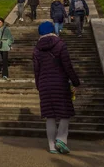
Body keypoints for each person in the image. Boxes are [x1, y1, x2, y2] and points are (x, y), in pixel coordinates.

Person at [33, 22, 80, 154]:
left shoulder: (36, 49)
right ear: (53, 30)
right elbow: (67, 66)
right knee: (65, 113)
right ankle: (60, 139)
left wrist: (39, 85)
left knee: (50, 116)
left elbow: (36, 70)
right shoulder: (60, 44)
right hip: (60, 83)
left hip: (44, 84)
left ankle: (52, 146)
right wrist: (76, 82)